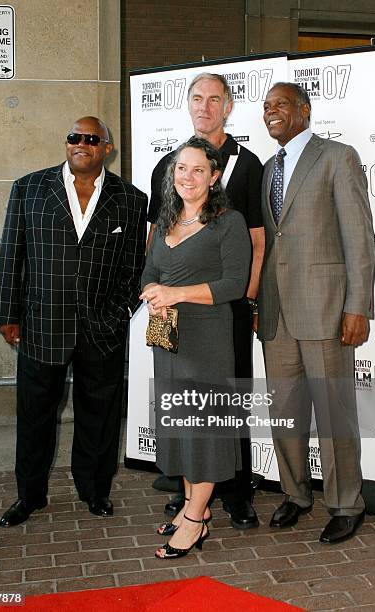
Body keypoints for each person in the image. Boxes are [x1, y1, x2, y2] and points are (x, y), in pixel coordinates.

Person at [0, 116, 147, 527]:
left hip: (102, 329)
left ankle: (95, 491)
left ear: (107, 148)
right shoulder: (29, 188)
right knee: (34, 416)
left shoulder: (131, 199)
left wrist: (119, 315)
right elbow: (12, 254)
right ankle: (29, 495)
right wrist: (7, 315)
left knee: (100, 416)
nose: (81, 144)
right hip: (41, 324)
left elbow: (136, 268)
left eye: (91, 139)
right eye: (74, 138)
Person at [257, 83, 375, 543]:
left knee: (333, 412)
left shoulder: (337, 157)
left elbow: (359, 239)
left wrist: (357, 306)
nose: (272, 113)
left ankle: (347, 503)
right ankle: (296, 493)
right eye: (266, 107)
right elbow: (273, 243)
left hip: (326, 309)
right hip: (277, 313)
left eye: (281, 105)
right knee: (285, 412)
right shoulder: (270, 168)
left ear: (304, 110)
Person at [147, 73, 264, 530]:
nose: (205, 106)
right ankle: (190, 498)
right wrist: (153, 293)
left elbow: (255, 245)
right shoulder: (167, 167)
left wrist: (247, 303)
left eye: (215, 99)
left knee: (220, 405)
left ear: (228, 105)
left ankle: (232, 496)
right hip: (170, 324)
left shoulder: (249, 166)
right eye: (197, 98)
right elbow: (153, 244)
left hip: (222, 312)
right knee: (181, 407)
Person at [140, 137, 251, 559]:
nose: (187, 176)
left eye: (198, 170)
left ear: (214, 176)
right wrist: (153, 289)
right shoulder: (167, 219)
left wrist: (175, 293)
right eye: (181, 168)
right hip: (167, 342)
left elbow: (232, 286)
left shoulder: (229, 221)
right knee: (182, 428)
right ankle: (196, 511)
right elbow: (148, 273)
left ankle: (191, 522)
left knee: (203, 431)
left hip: (207, 342)